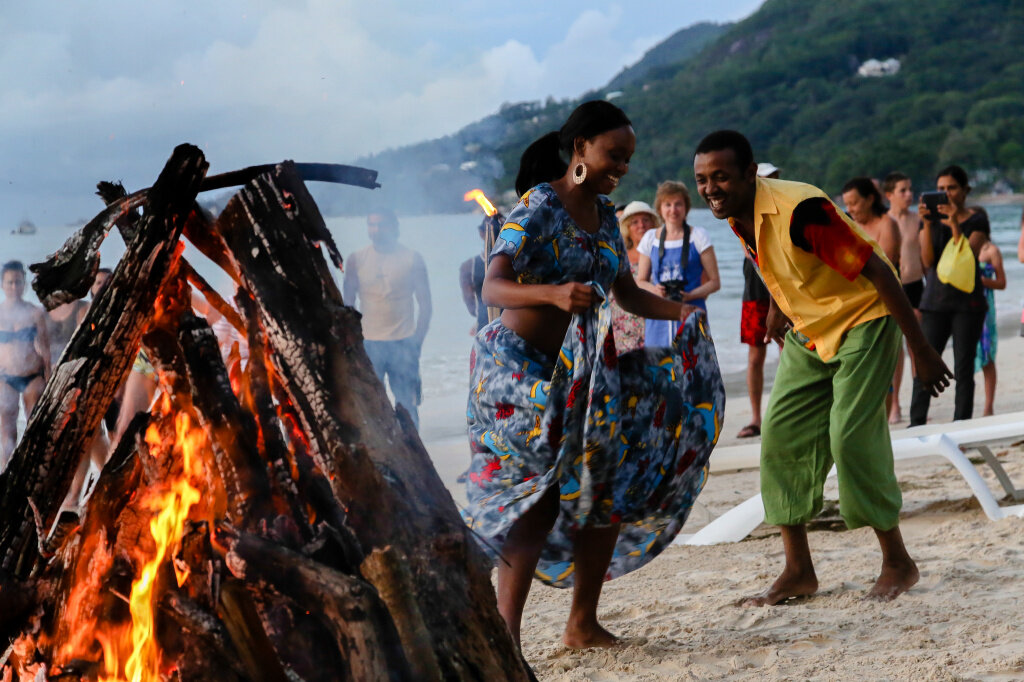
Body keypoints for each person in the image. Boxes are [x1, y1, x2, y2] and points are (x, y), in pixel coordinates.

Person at [465, 101, 723, 648]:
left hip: (584, 372)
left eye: (628, 159)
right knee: (535, 503)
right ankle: (505, 638)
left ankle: (581, 624)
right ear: (580, 148)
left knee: (605, 484)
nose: (622, 167)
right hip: (517, 372)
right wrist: (554, 293)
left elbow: (626, 295)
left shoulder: (607, 216)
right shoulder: (538, 205)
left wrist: (683, 315)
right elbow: (493, 287)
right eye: (614, 155)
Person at [693, 130, 950, 604]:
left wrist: (921, 350)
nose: (711, 188)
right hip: (810, 329)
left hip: (866, 319)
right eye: (703, 179)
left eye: (722, 177)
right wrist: (776, 303)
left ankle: (898, 562)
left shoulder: (801, 211)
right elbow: (775, 257)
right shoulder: (738, 213)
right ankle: (798, 571)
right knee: (781, 438)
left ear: (751, 174)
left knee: (850, 436)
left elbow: (876, 269)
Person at [910, 166, 988, 426]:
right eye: (941, 189)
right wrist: (928, 226)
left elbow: (967, 257)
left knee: (964, 368)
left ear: (965, 191)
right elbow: (928, 261)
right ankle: (916, 422)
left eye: (952, 188)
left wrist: (954, 223)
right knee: (925, 364)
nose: (946, 194)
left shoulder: (977, 220)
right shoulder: (929, 222)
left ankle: (962, 425)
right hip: (934, 302)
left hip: (968, 304)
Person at [343, 209, 431, 429]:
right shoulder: (356, 259)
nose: (376, 230)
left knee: (407, 406)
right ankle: (383, 457)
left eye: (382, 225)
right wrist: (352, 343)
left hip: (403, 340)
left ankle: (415, 455)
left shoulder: (412, 258)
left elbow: (426, 305)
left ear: (394, 227)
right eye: (371, 225)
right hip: (369, 343)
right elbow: (347, 307)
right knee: (371, 406)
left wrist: (417, 342)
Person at [636, 180, 721, 347]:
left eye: (678, 204)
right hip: (658, 313)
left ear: (686, 208)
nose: (673, 210)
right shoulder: (650, 237)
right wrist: (655, 289)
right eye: (667, 205)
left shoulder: (699, 236)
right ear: (660, 208)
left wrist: (691, 295)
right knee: (660, 368)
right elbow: (640, 281)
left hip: (692, 311)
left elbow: (714, 283)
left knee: (692, 367)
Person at [736, 163, 780, 439]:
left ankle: (784, 413)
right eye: (766, 180)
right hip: (755, 292)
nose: (771, 185)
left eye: (775, 179)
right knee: (755, 356)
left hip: (782, 291)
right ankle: (756, 417)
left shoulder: (782, 211)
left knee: (792, 351)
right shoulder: (743, 214)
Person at [0, 261, 51, 469]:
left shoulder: (35, 313)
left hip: (32, 375)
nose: (14, 287)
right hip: (5, 376)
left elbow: (46, 351)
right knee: (6, 430)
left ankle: (34, 470)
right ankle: (6, 473)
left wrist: (49, 380)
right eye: (10, 283)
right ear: (2, 285)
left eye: (18, 282)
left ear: (24, 284)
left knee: (35, 426)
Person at [882, 172, 924, 423]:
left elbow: (926, 258)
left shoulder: (918, 220)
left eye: (909, 189)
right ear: (889, 195)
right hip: (894, 288)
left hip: (916, 286)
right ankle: (895, 404)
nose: (909, 194)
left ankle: (919, 402)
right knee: (895, 349)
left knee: (917, 346)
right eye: (902, 190)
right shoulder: (884, 222)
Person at [609, 200, 657, 353]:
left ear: (654, 223)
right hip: (621, 329)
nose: (641, 225)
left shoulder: (663, 254)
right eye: (635, 222)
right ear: (627, 228)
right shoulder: (618, 256)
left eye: (645, 220)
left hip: (655, 326)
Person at [975, 230, 1005, 416]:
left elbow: (1002, 283)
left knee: (987, 354)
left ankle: (988, 406)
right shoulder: (964, 248)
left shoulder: (991, 250)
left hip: (985, 306)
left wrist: (982, 281)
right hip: (964, 306)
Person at [458, 219, 491, 335]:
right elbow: (472, 307)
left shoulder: (518, 262)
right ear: (481, 233)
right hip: (484, 330)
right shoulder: (469, 266)